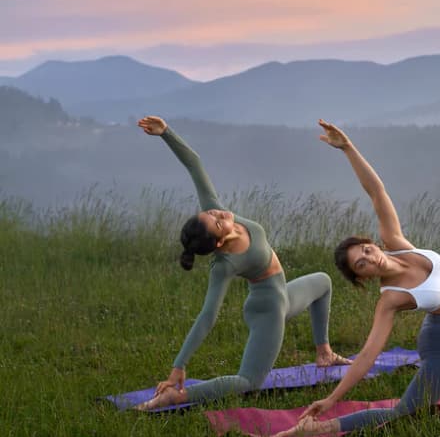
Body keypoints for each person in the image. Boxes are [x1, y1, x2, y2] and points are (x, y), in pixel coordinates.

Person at [271, 120, 440, 437]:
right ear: (361, 277)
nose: (369, 258)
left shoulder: (398, 244)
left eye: (366, 250)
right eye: (361, 264)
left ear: (373, 243)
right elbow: (366, 355)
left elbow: (376, 191)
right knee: (407, 410)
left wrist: (348, 148)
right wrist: (332, 399)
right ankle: (316, 428)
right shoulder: (390, 298)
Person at [135, 116, 350, 410]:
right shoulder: (224, 265)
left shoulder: (218, 212)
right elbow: (207, 317)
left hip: (284, 294)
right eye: (217, 222)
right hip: (268, 309)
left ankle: (324, 353)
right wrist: (178, 367)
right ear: (219, 243)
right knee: (249, 381)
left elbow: (194, 164)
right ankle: (179, 396)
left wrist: (165, 133)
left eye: (212, 214)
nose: (220, 214)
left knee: (323, 281)